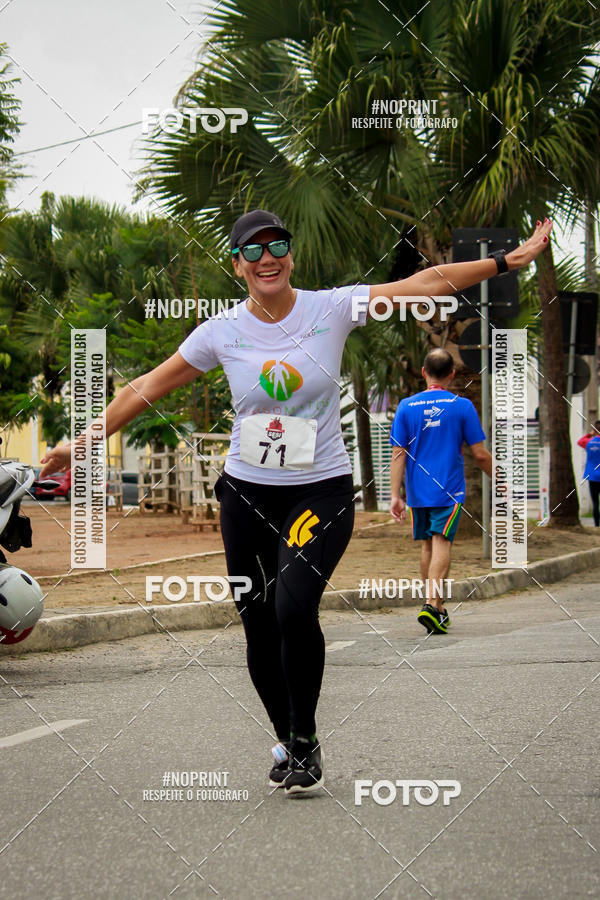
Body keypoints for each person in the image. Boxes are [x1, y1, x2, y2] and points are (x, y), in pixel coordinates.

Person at [41, 210, 552, 793]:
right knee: (257, 622)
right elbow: (147, 386)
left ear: (291, 255)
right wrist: (81, 444)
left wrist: (505, 261)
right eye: (252, 250)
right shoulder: (220, 332)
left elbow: (424, 285)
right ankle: (289, 739)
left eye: (277, 245)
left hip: (319, 490)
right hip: (245, 494)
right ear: (237, 265)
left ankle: (304, 734)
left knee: (291, 607)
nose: (266, 258)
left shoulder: (330, 309)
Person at [389, 348, 492, 634]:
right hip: (448, 489)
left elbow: (398, 454)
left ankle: (438, 607)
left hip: (417, 492)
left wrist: (395, 495)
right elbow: (481, 455)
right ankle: (432, 605)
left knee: (427, 546)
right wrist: (502, 478)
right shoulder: (462, 406)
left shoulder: (406, 406)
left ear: (424, 372)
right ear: (452, 374)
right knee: (442, 543)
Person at [578, 421, 600, 526]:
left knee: (595, 502)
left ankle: (596, 524)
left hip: (592, 477)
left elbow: (580, 441)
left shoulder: (588, 442)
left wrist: (590, 434)